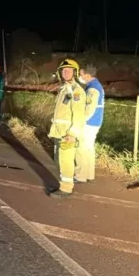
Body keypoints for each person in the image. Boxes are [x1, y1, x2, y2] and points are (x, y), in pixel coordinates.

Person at [46, 58, 87, 198]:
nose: (66, 72)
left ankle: (66, 189)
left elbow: (79, 116)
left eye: (69, 70)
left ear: (75, 72)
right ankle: (62, 184)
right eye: (64, 70)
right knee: (59, 161)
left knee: (66, 161)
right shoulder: (64, 89)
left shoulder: (76, 92)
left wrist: (72, 134)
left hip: (67, 134)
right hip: (59, 132)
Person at [75, 63, 104, 183]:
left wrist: (82, 121)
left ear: (87, 75)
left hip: (89, 123)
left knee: (81, 148)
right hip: (95, 122)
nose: (79, 76)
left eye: (81, 74)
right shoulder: (96, 85)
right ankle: (89, 174)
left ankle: (80, 175)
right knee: (88, 148)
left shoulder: (92, 88)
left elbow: (90, 108)